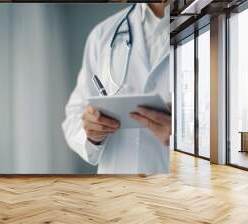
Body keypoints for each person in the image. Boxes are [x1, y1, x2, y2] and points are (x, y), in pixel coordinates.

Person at [62, 3, 171, 174]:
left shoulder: (217, 21)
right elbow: (74, 118)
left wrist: (188, 138)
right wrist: (91, 134)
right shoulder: (102, 35)